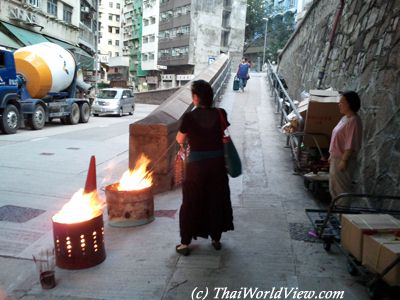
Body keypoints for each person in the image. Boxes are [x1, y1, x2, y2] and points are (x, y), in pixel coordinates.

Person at [175, 80, 234, 256]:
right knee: (216, 200)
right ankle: (216, 239)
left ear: (196, 98)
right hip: (217, 165)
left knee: (191, 202)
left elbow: (179, 139)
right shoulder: (220, 113)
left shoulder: (189, 117)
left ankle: (185, 244)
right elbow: (224, 133)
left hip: (196, 168)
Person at [328, 91, 362, 206]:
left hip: (343, 159)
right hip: (336, 157)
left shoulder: (354, 121)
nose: (339, 104)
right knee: (334, 188)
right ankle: (337, 216)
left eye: (342, 102)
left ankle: (343, 218)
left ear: (350, 104)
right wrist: (331, 155)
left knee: (342, 190)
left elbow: (350, 144)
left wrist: (343, 161)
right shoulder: (345, 118)